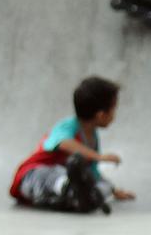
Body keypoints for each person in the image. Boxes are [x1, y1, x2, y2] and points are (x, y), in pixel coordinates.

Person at [9, 77, 134, 213]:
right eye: (114, 109)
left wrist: (113, 190)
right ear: (101, 115)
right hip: (31, 178)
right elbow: (62, 142)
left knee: (103, 184)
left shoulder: (92, 136)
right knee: (55, 173)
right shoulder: (68, 126)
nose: (114, 114)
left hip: (58, 189)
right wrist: (98, 156)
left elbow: (92, 172)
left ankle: (83, 196)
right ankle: (71, 190)